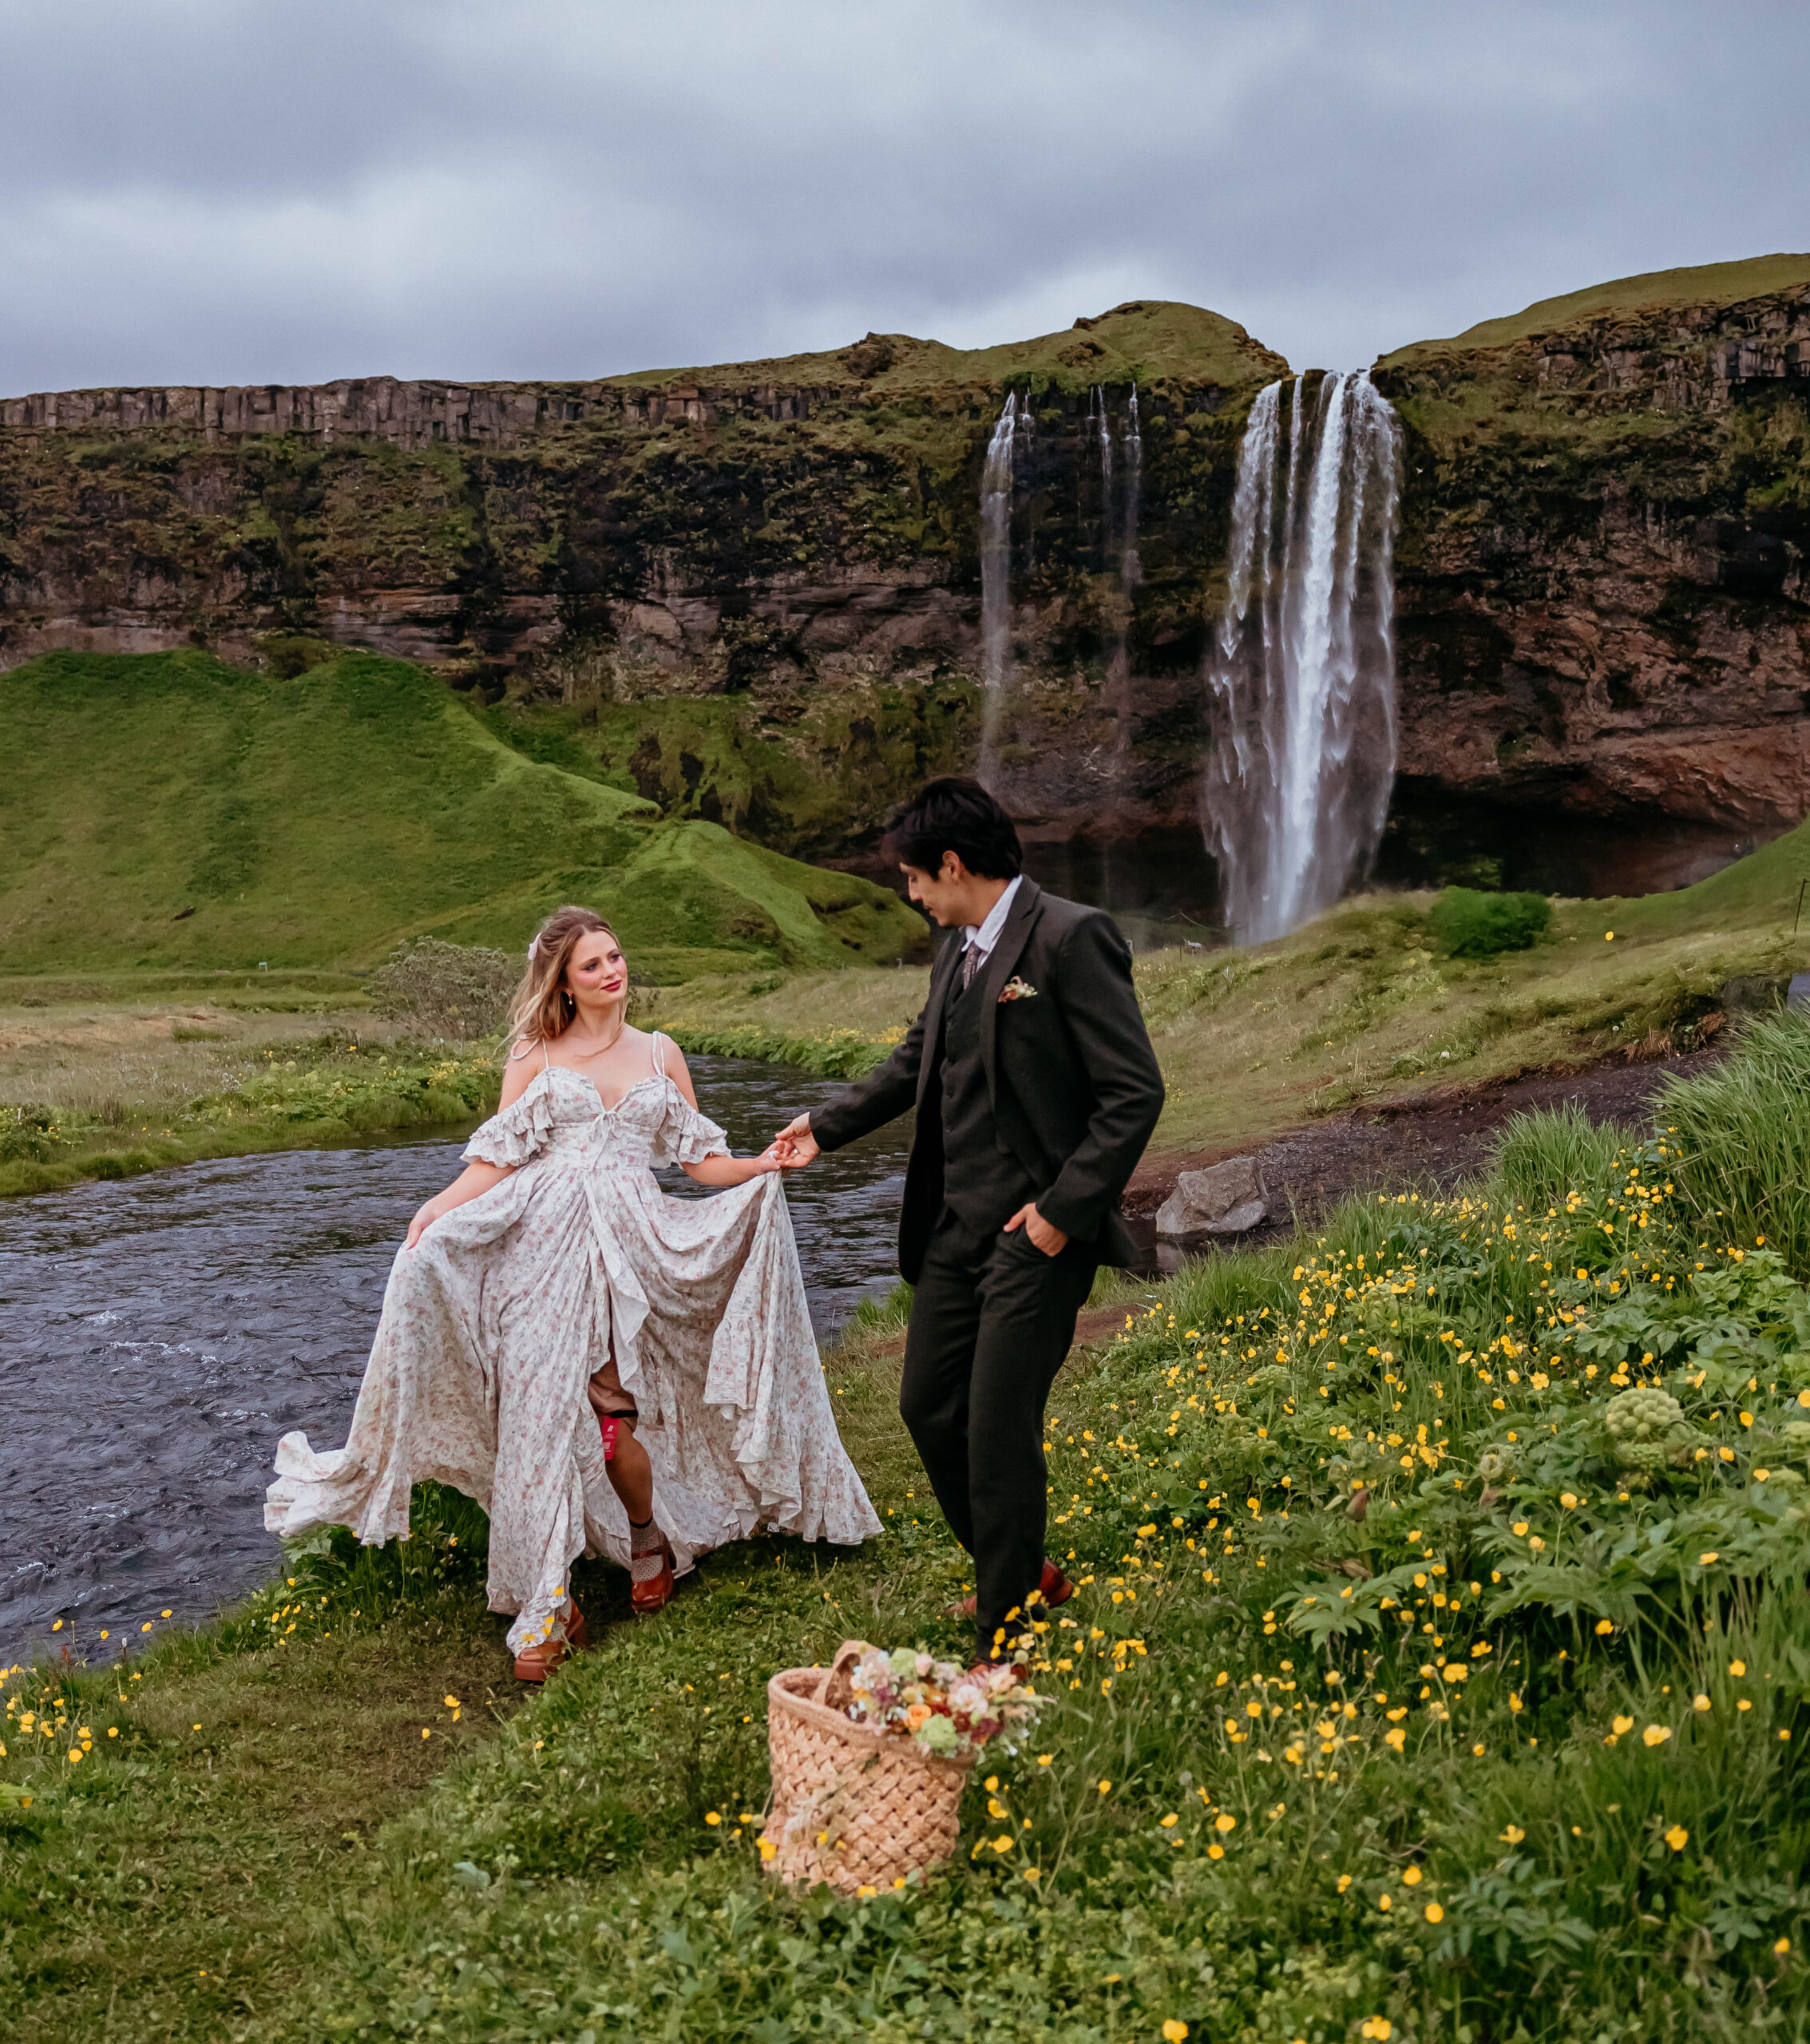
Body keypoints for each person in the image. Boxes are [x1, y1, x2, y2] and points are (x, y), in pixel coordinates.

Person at [267, 905, 880, 1681]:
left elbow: (699, 1160)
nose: (610, 970)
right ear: (563, 980)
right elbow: (500, 1156)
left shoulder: (660, 1054)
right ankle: (547, 1609)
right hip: (540, 1251)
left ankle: (646, 1533)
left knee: (614, 1431)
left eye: (615, 956)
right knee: (538, 1423)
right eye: (591, 964)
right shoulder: (536, 1052)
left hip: (631, 1253)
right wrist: (439, 1207)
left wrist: (761, 1167)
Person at [774, 780, 1164, 1664]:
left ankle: (1006, 1632)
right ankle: (1020, 1568)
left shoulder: (1071, 938)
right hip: (953, 1231)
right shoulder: (955, 946)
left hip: (1035, 1233)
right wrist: (823, 1127)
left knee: (996, 1430)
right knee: (925, 1407)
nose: (912, 896)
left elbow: (1132, 1094)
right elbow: (922, 1054)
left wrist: (1063, 1214)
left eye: (915, 878)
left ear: (951, 865)